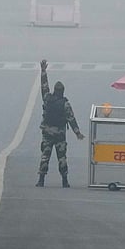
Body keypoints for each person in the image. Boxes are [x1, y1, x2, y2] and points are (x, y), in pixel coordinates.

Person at [36, 59, 84, 187]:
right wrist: (77, 132)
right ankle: (65, 180)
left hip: (47, 132)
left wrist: (43, 71)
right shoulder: (65, 104)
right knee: (61, 157)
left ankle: (41, 179)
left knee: (45, 155)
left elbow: (44, 86)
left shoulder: (47, 99)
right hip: (60, 134)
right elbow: (71, 119)